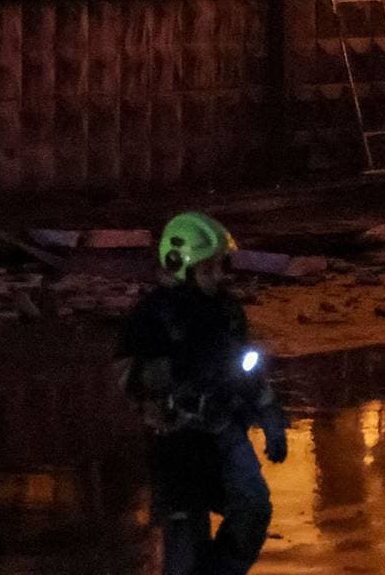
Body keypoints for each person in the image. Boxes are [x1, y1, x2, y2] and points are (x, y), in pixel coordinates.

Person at [119, 212, 288, 575]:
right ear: (179, 264)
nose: (218, 276)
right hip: (177, 441)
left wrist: (271, 416)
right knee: (185, 538)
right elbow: (128, 375)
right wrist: (162, 394)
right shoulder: (153, 316)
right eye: (208, 268)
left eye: (220, 267)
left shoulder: (227, 312)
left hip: (226, 429)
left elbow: (248, 368)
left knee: (254, 508)